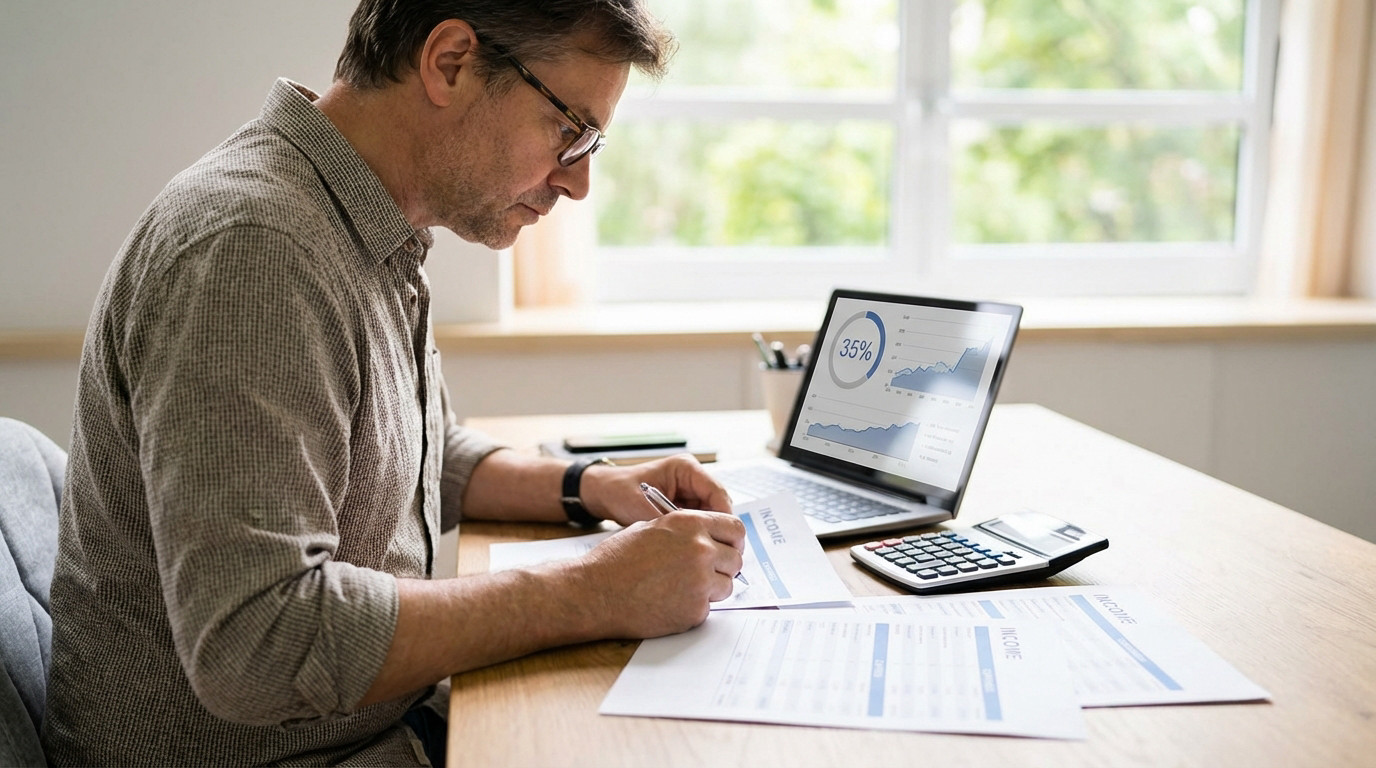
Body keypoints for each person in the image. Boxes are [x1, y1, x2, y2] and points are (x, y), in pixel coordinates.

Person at [41, 2, 745, 765]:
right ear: (450, 62)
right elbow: (257, 644)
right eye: (571, 129)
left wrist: (593, 484)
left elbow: (422, 455)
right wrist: (594, 590)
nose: (577, 183)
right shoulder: (255, 252)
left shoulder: (365, 224)